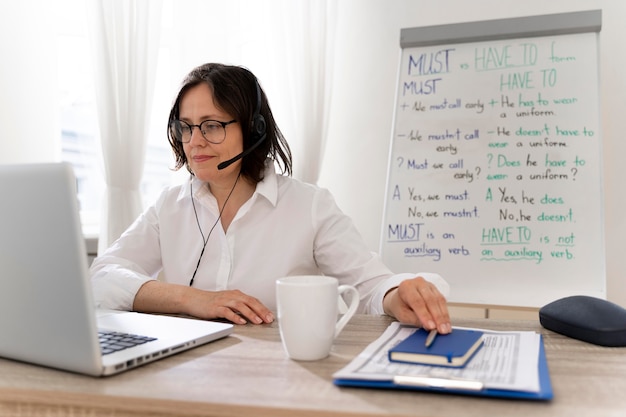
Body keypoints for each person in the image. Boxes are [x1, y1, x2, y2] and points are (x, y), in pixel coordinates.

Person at [90, 63, 452, 334]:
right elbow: (101, 278)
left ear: (252, 128)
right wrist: (193, 299)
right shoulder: (168, 207)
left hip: (281, 375)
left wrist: (397, 294)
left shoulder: (310, 206)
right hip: (187, 374)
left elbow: (371, 285)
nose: (194, 141)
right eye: (185, 126)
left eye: (212, 125)